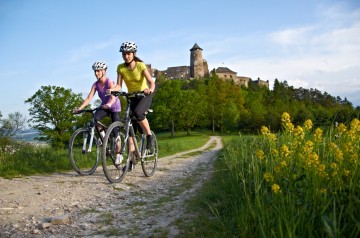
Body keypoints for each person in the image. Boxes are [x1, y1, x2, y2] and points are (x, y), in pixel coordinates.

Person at [107, 41, 156, 155]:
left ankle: (149, 136)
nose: (126, 56)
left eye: (128, 53)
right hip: (132, 98)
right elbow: (119, 86)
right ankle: (131, 158)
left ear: (134, 53)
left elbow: (151, 82)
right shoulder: (121, 68)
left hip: (144, 96)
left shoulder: (140, 65)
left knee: (138, 113)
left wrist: (150, 90)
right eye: (124, 54)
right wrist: (112, 90)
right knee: (130, 127)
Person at [74, 61, 122, 164]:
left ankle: (118, 154)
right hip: (104, 106)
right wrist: (80, 108)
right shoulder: (95, 85)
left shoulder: (109, 82)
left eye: (99, 71)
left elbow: (113, 97)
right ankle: (104, 138)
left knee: (115, 132)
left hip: (114, 107)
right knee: (95, 119)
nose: (96, 73)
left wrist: (109, 104)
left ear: (104, 71)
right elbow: (88, 98)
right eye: (95, 71)